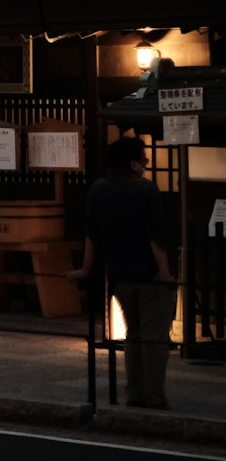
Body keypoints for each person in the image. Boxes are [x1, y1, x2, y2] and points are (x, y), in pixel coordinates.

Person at [66, 135, 177, 409]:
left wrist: (86, 268)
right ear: (134, 164)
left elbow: (92, 234)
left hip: (119, 274)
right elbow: (155, 236)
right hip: (150, 276)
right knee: (154, 339)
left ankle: (133, 393)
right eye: (144, 158)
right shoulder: (146, 190)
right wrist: (165, 271)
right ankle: (154, 397)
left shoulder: (99, 190)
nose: (147, 162)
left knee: (133, 335)